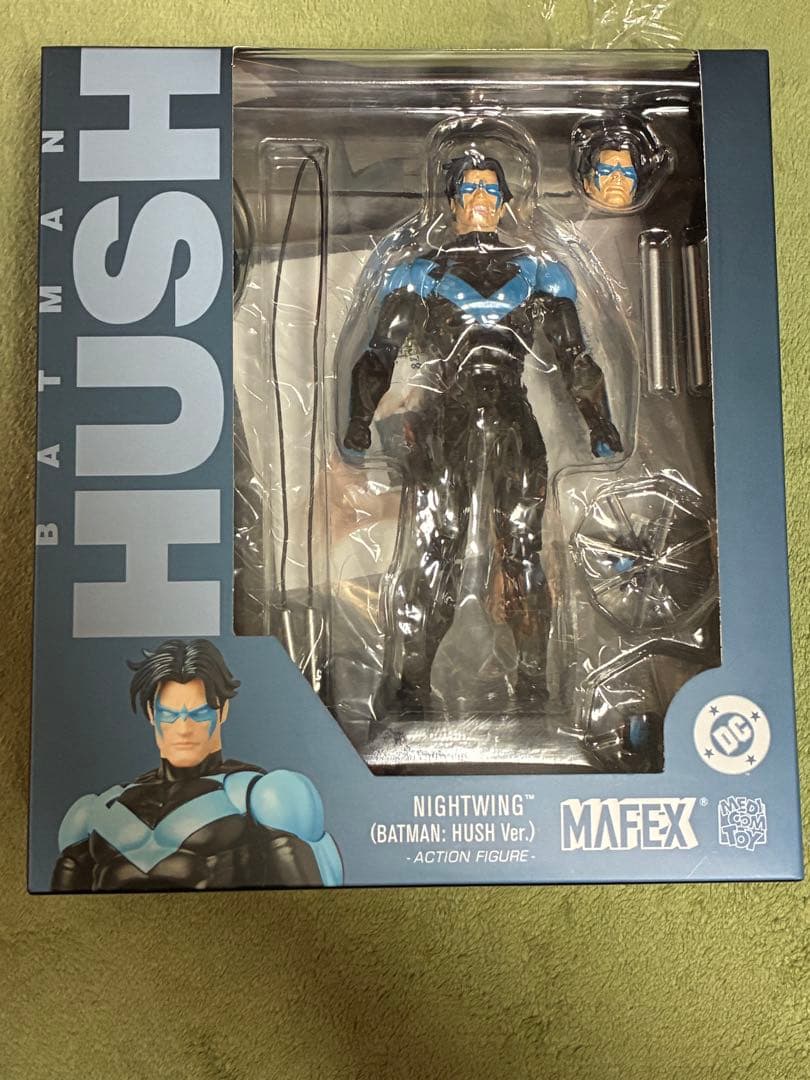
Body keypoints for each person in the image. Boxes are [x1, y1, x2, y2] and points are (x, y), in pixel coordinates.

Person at [343, 150, 622, 720]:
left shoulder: (540, 271)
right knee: (436, 549)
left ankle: (533, 685)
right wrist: (358, 420)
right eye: (469, 189)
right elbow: (379, 352)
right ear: (450, 202)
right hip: (447, 421)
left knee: (522, 550)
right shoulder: (421, 272)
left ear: (504, 202)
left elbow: (575, 356)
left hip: (514, 418)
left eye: (490, 190)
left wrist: (599, 421)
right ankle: (414, 685)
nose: (479, 199)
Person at [52, 639, 343, 890]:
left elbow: (316, 910)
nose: (183, 729)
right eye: (170, 715)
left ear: (222, 711)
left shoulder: (262, 797)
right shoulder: (95, 812)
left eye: (198, 713)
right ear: (152, 714)